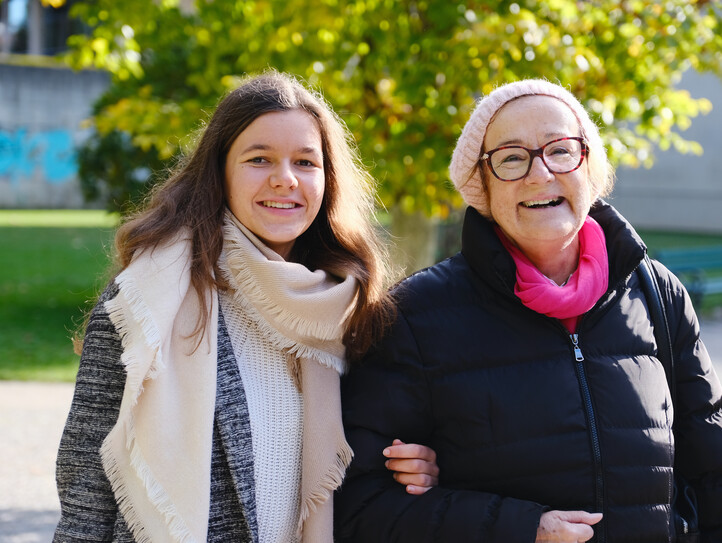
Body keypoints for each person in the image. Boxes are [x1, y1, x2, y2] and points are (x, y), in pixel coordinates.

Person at [54, 71, 439, 543]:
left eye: (305, 161)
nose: (285, 179)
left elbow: (375, 458)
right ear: (220, 172)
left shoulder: (349, 308)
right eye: (259, 159)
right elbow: (86, 487)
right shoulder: (147, 299)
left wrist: (420, 463)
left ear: (327, 178)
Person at [335, 79, 722, 542]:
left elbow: (711, 474)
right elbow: (360, 508)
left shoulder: (657, 294)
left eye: (560, 150)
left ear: (590, 170)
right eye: (512, 158)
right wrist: (521, 529)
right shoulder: (414, 315)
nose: (540, 175)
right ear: (481, 186)